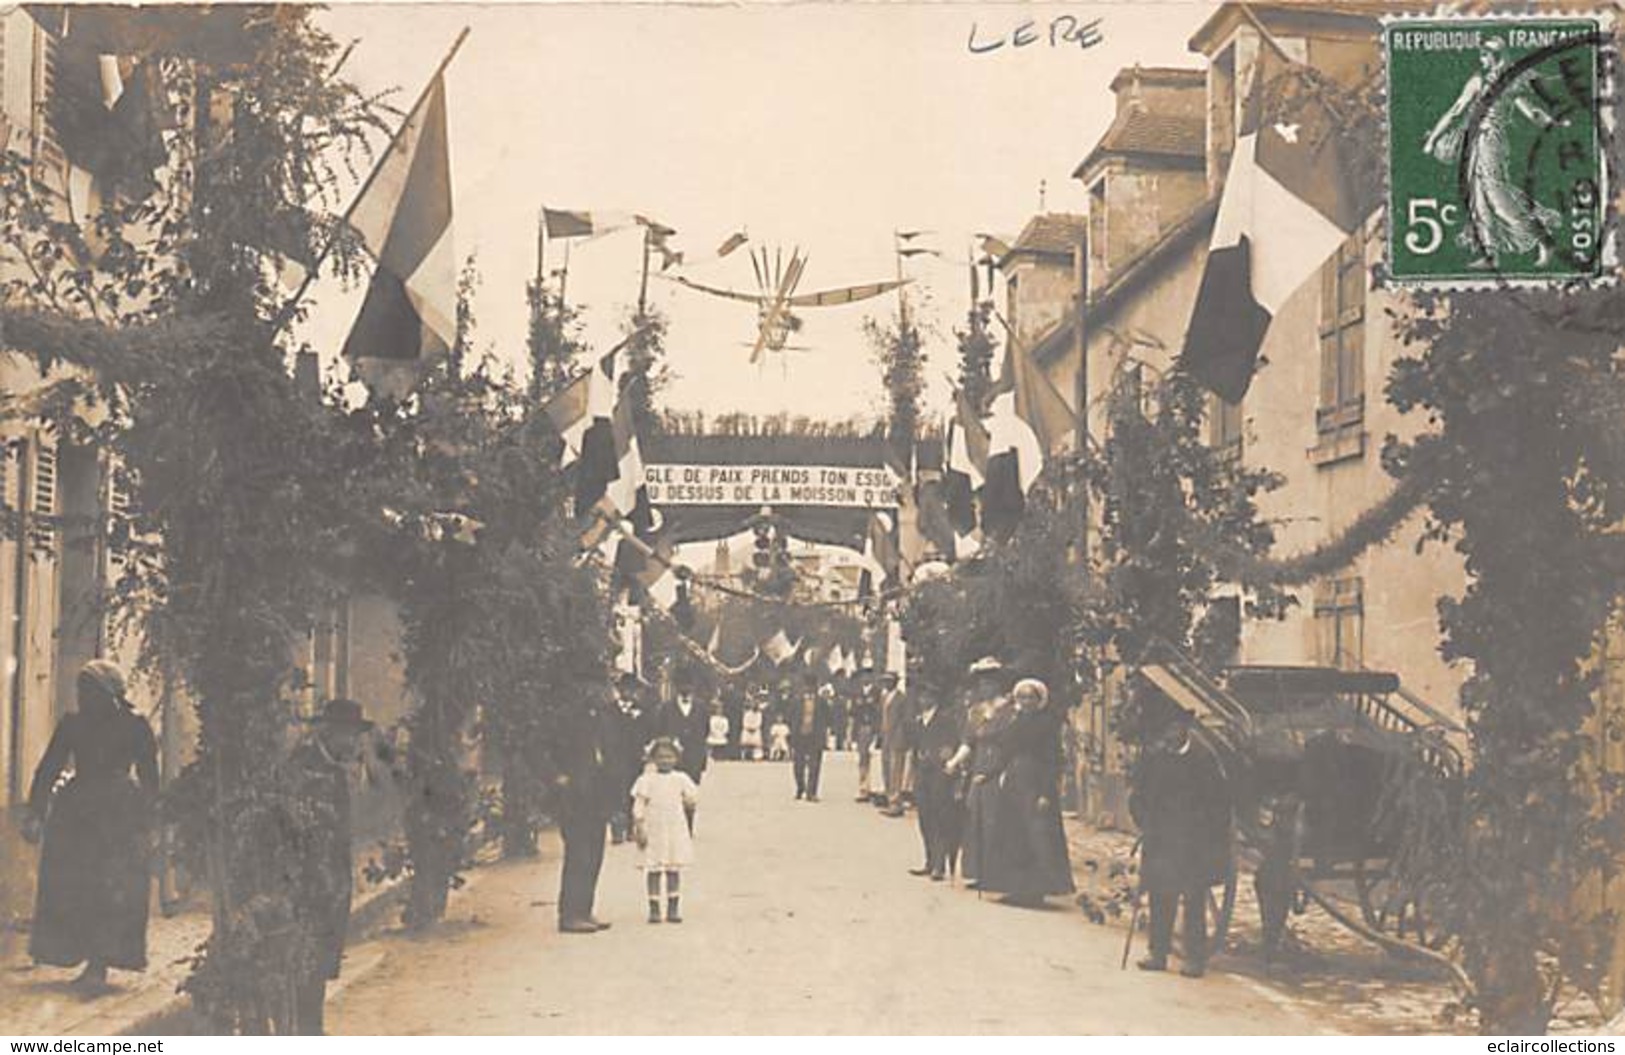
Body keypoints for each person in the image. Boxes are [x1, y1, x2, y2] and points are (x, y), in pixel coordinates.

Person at [23, 659, 158, 992]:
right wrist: (36, 812)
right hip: (77, 816)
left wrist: (150, 822)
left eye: (89, 691)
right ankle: (76, 952)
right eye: (80, 690)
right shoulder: (72, 725)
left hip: (119, 816)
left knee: (110, 887)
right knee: (76, 885)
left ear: (108, 693)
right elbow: (48, 769)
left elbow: (150, 778)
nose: (82, 698)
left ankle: (100, 961)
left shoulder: (135, 725)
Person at [1422, 35, 1564, 269]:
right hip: (1475, 141)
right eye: (1481, 55)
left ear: (1497, 56)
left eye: (1486, 55)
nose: (1482, 59)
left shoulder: (1510, 81)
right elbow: (1456, 110)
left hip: (1491, 141)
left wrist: (1554, 125)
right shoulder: (1480, 80)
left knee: (1497, 197)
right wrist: (1434, 138)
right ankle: (1490, 254)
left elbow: (1531, 112)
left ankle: (1544, 240)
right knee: (1477, 198)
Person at [286, 698, 373, 1035]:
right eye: (349, 735)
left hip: (330, 877)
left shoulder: (334, 766)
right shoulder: (307, 766)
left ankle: (312, 1026)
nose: (354, 743)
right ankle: (306, 1030)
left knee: (321, 957)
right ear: (331, 731)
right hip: (310, 878)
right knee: (308, 955)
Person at [1130, 709, 1232, 978]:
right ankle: (1158, 953)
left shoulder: (1203, 759)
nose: (1169, 735)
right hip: (1161, 836)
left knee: (1193, 897)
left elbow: (1219, 802)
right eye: (1165, 730)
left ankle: (1194, 958)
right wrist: (1145, 821)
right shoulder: (1155, 758)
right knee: (1160, 894)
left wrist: (1209, 833)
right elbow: (1138, 794)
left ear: (1184, 729)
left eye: (1174, 729)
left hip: (1192, 839)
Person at [978, 678, 1076, 906]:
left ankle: (1036, 891)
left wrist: (1045, 793)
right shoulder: (1016, 721)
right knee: (1013, 835)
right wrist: (989, 773)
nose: (1026, 701)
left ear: (1039, 700)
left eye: (1030, 697)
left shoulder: (1047, 724)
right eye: (1021, 697)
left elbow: (1053, 760)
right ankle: (1014, 887)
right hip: (1014, 783)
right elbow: (1006, 752)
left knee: (1037, 836)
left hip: (1036, 782)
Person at [551, 691, 621, 934]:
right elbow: (539, 749)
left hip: (598, 796)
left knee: (594, 855)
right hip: (574, 797)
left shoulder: (604, 719)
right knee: (578, 854)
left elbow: (611, 754)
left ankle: (584, 910)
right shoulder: (564, 718)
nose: (602, 693)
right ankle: (569, 914)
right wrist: (555, 776)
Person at [951, 656, 1016, 888]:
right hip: (978, 766)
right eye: (981, 683)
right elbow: (968, 741)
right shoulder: (976, 711)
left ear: (998, 684)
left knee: (996, 819)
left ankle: (996, 874)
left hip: (1000, 767)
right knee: (975, 818)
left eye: (989, 682)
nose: (984, 687)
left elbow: (1014, 743)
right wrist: (954, 761)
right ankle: (978, 872)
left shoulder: (1009, 709)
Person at [632, 738, 700, 924]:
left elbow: (692, 798)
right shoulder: (646, 780)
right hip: (654, 827)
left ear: (677, 758)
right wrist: (639, 826)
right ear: (652, 758)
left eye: (669, 757)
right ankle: (654, 907)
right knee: (653, 868)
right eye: (660, 757)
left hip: (674, 826)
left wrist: (689, 803)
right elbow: (639, 805)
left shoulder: (680, 779)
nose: (665, 761)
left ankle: (673, 906)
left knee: (673, 867)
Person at [907, 671, 965, 881]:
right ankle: (929, 861)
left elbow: (950, 747)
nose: (923, 699)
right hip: (922, 775)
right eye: (921, 695)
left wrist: (935, 757)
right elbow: (913, 747)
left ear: (935, 698)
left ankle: (940, 865)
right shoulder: (917, 721)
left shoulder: (946, 720)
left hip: (940, 776)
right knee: (925, 819)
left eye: (928, 696)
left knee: (941, 819)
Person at [608, 673, 648, 845]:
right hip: (614, 757)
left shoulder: (642, 711)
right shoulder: (609, 710)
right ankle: (617, 829)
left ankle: (631, 828)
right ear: (620, 690)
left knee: (633, 792)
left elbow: (646, 733)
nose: (629, 693)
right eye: (626, 689)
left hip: (634, 759)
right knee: (615, 793)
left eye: (633, 690)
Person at [647, 678, 710, 784]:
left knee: (691, 789)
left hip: (694, 756)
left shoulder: (701, 707)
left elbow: (705, 730)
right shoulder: (666, 707)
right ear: (676, 687)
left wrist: (701, 756)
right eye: (682, 685)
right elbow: (661, 730)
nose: (686, 688)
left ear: (694, 687)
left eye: (689, 685)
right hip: (673, 757)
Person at [790, 678, 833, 801]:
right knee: (798, 765)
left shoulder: (822, 702)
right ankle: (800, 787)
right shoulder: (797, 701)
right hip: (800, 736)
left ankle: (811, 792)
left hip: (815, 737)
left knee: (814, 766)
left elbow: (829, 718)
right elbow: (790, 716)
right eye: (806, 687)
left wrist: (823, 731)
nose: (808, 689)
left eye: (811, 687)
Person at [878, 671, 912, 817]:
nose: (887, 683)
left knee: (895, 769)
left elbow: (905, 720)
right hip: (885, 736)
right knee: (886, 768)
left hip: (897, 738)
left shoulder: (902, 698)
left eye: (890, 681)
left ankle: (895, 801)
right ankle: (888, 797)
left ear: (896, 682)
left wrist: (903, 737)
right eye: (885, 681)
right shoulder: (884, 697)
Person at [850, 672, 880, 803]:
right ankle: (863, 789)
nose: (865, 679)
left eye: (868, 676)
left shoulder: (877, 692)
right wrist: (853, 735)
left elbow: (879, 712)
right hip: (861, 727)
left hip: (873, 728)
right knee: (862, 760)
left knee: (873, 760)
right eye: (863, 676)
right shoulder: (856, 693)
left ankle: (874, 788)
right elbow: (853, 713)